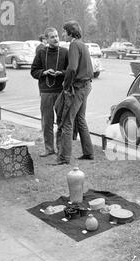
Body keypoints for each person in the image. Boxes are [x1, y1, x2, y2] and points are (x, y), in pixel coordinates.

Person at [55, 20, 94, 165]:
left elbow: (72, 68)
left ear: (70, 32)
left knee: (67, 121)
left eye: (64, 31)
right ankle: (88, 153)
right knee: (80, 119)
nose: (62, 34)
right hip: (86, 85)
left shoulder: (73, 45)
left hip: (78, 87)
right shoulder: (82, 44)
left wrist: (66, 84)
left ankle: (64, 158)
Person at [31, 27, 68, 157]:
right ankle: (49, 148)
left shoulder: (65, 52)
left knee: (61, 121)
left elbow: (70, 71)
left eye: (57, 36)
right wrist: (44, 72)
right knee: (47, 122)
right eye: (52, 37)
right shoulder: (41, 53)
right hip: (46, 92)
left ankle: (60, 148)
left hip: (60, 92)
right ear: (46, 39)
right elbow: (33, 71)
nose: (56, 39)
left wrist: (61, 73)